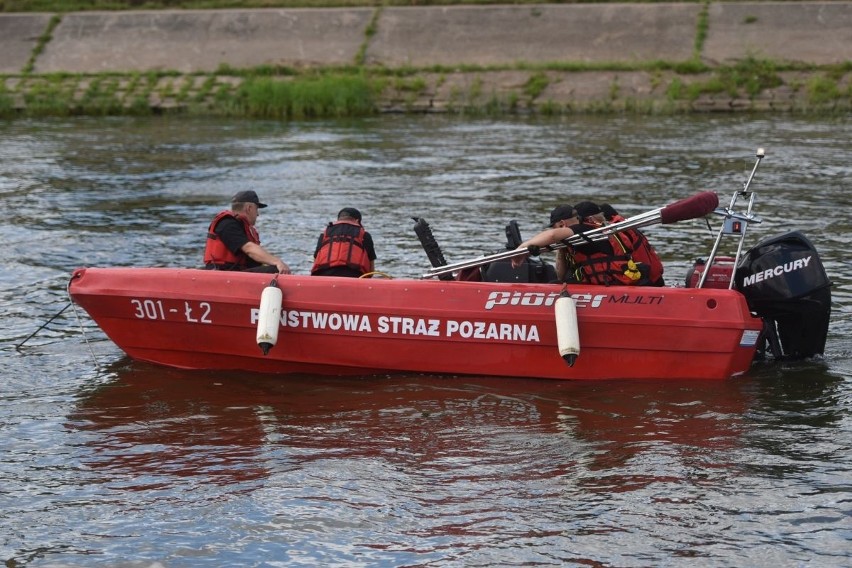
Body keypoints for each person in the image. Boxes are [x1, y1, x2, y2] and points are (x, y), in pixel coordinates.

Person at [513, 201, 664, 286]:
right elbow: (561, 275)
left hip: (615, 284)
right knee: (556, 282)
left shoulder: (584, 229)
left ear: (561, 224)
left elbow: (552, 235)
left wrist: (521, 248)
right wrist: (562, 249)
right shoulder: (580, 235)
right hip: (608, 282)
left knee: (554, 285)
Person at [203, 190, 291, 274]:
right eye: (256, 209)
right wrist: (277, 262)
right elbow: (249, 248)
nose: (258, 214)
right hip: (222, 274)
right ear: (249, 208)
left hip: (235, 273)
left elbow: (254, 260)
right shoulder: (227, 223)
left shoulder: (243, 228)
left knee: (273, 268)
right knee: (275, 270)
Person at [311, 207, 377, 278]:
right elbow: (371, 271)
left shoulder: (324, 234)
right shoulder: (365, 235)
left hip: (323, 276)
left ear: (338, 220)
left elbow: (315, 261)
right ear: (357, 221)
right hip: (354, 277)